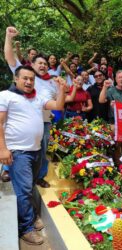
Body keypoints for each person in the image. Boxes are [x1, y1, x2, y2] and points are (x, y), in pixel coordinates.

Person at [0, 65, 66, 245]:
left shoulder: (37, 96)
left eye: (31, 79)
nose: (29, 82)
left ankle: (30, 217)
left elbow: (58, 105)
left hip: (36, 150)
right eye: (25, 78)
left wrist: (61, 89)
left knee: (29, 186)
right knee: (24, 191)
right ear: (16, 79)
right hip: (18, 151)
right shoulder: (5, 96)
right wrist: (2, 149)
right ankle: (26, 228)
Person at [4, 26, 73, 188]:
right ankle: (7, 169)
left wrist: (63, 89)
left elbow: (60, 102)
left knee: (41, 152)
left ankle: (39, 176)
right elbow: (9, 57)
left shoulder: (52, 81)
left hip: (43, 122)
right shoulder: (26, 75)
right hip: (20, 120)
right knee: (14, 147)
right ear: (32, 65)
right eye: (39, 63)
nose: (43, 65)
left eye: (45, 63)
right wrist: (9, 37)